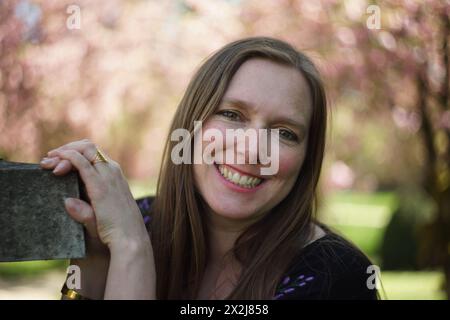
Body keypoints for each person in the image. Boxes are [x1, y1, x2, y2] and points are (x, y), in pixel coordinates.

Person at [40, 37, 378, 300]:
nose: (251, 150)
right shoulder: (142, 219)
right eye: (231, 115)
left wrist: (132, 250)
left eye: (285, 133)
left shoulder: (336, 276)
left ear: (306, 160)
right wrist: (97, 262)